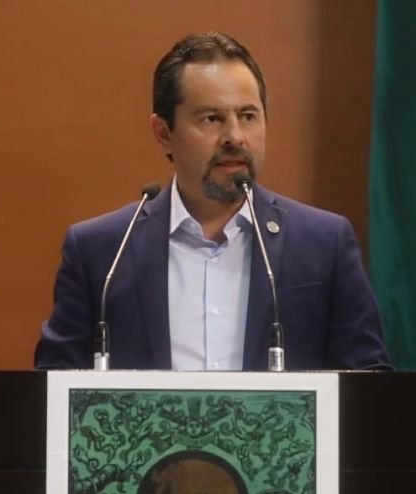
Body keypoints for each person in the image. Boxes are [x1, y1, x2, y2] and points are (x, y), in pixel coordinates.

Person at [35, 32, 389, 371]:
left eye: (248, 116)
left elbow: (367, 382)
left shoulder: (323, 243)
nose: (234, 137)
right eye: (212, 118)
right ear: (164, 134)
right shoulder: (102, 252)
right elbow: (54, 384)